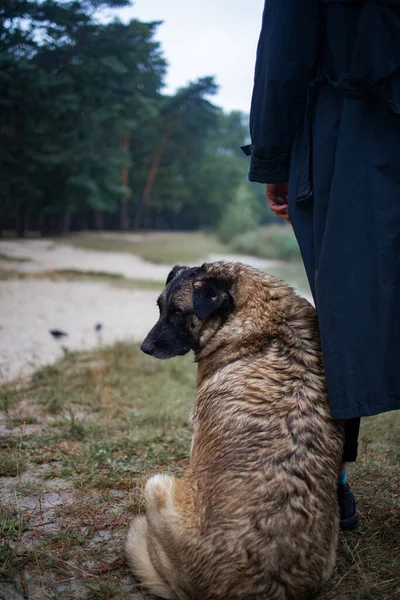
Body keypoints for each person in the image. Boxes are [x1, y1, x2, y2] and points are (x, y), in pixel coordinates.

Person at [243, 0, 400, 530]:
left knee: (347, 312)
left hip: (352, 135)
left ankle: (331, 485)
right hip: (356, 122)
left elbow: (285, 46)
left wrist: (273, 157)